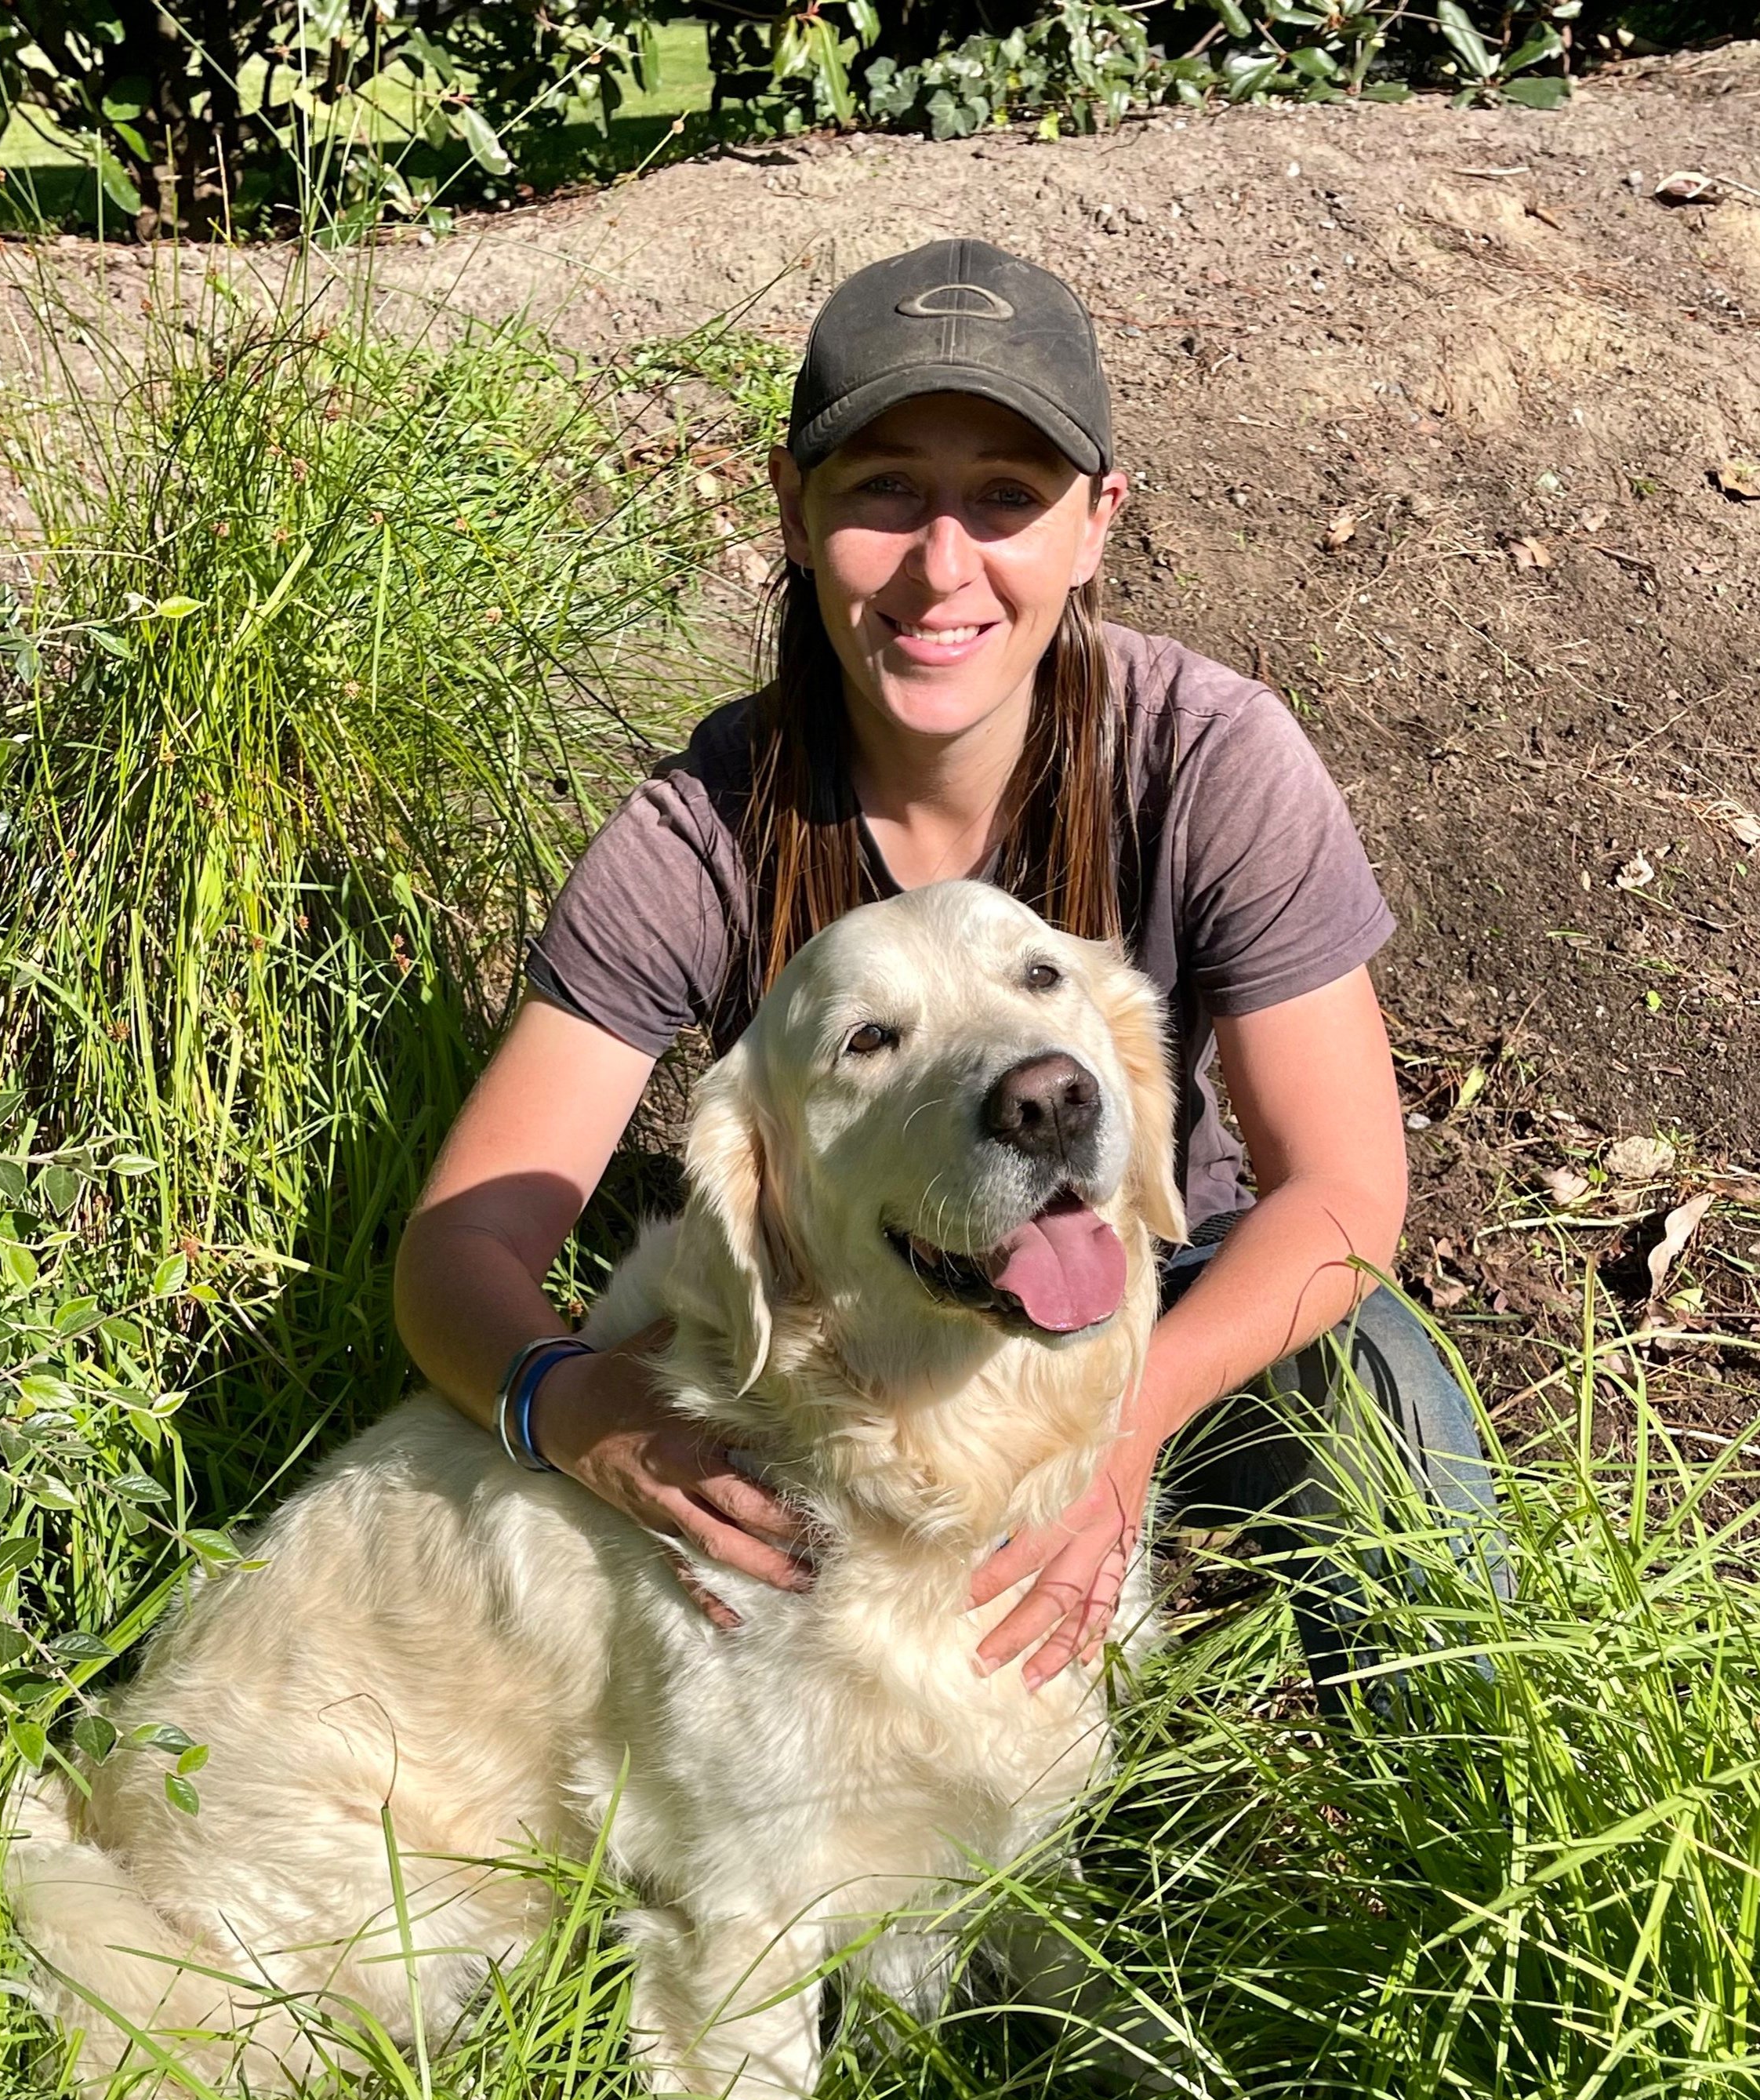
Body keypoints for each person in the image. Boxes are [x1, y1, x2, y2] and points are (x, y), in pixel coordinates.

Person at [394, 238, 1501, 1714]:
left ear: (1098, 523)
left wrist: (1122, 1427)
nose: (941, 565)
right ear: (793, 510)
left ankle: (1455, 1808)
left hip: (1156, 1287)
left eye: (1005, 498)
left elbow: (1348, 1195)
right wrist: (576, 1407)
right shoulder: (701, 831)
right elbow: (456, 1257)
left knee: (1389, 1399)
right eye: (884, 492)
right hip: (862, 1332)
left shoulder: (1213, 758)